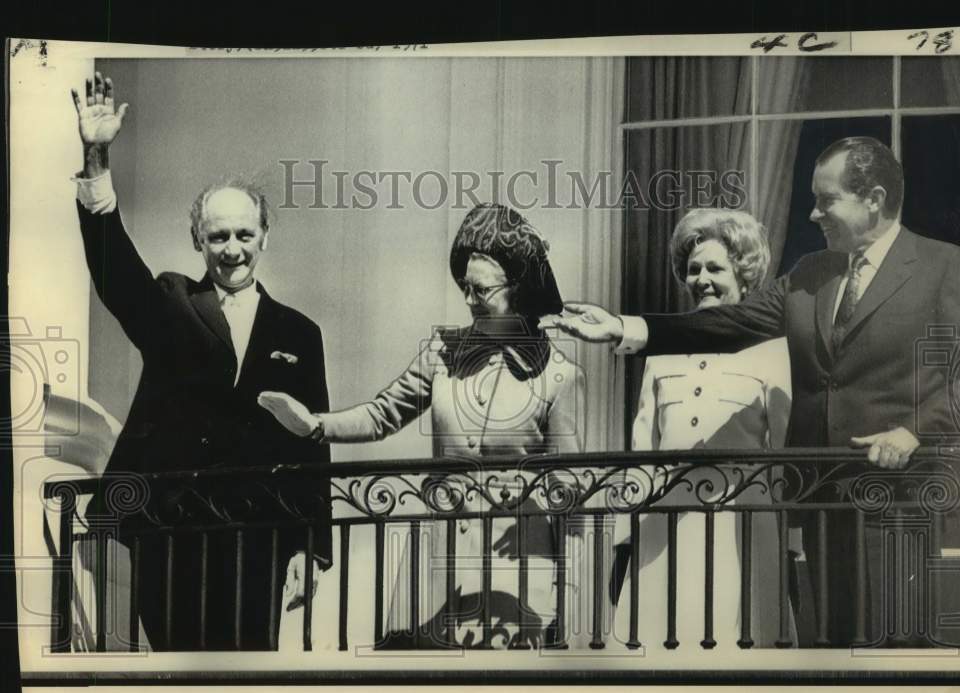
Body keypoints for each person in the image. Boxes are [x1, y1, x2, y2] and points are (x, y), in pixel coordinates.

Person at [550, 137, 960, 647]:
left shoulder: (945, 266)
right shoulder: (810, 274)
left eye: (827, 201)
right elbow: (728, 324)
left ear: (874, 198)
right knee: (843, 652)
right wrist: (624, 327)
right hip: (829, 506)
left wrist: (915, 430)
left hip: (904, 505)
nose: (813, 213)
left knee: (903, 657)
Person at [71, 73, 331, 651]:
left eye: (244, 234)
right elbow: (114, 269)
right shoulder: (170, 303)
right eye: (217, 237)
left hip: (259, 537)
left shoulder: (299, 332)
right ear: (197, 240)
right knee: (176, 676)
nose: (232, 249)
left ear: (266, 238)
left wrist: (310, 547)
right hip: (171, 531)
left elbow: (311, 445)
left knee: (249, 679)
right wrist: (96, 160)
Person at [259, 203, 586, 649]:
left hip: (521, 569)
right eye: (464, 287)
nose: (469, 301)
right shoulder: (442, 352)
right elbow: (382, 413)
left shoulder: (559, 375)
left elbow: (568, 497)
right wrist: (315, 426)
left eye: (481, 291)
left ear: (520, 288)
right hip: (443, 559)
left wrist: (568, 596)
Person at [612, 209, 792, 650]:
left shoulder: (772, 351)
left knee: (740, 648)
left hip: (742, 526)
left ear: (744, 275)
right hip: (666, 524)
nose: (702, 280)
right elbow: (642, 448)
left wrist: (793, 545)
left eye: (715, 268)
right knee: (661, 647)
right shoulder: (663, 352)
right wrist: (626, 536)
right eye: (693, 270)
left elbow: (784, 455)